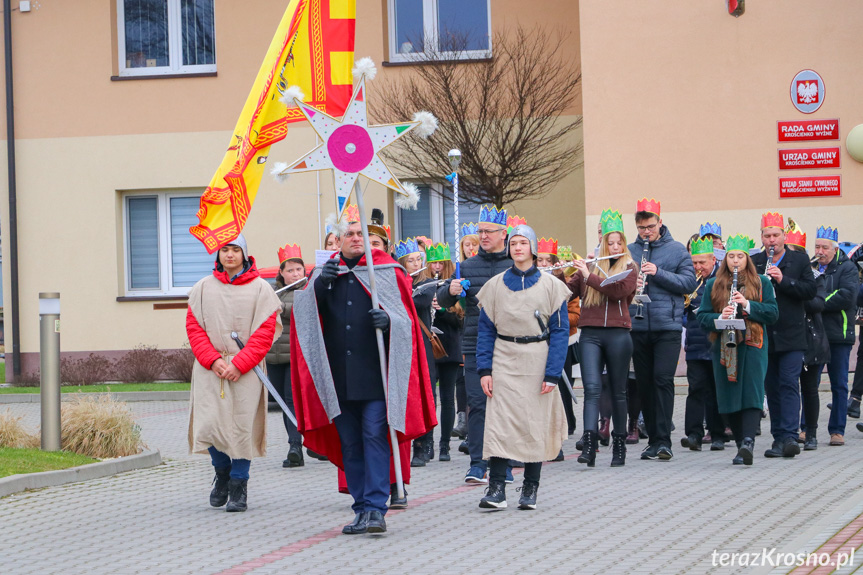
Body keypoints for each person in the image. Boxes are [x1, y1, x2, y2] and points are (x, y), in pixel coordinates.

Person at [290, 217, 437, 535]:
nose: (358, 239)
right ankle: (360, 508)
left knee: (373, 435)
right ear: (338, 240)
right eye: (350, 235)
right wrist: (319, 285)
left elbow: (407, 322)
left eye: (362, 235)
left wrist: (388, 320)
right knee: (351, 443)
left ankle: (375, 508)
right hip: (337, 377)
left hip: (376, 376)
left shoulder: (387, 271)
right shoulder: (324, 273)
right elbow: (302, 318)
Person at [475, 225, 570, 509]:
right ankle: (497, 488)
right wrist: (485, 369)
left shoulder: (552, 286)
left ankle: (530, 488)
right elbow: (486, 331)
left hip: (537, 358)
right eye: (513, 243)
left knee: (535, 423)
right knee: (499, 423)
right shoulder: (494, 285)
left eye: (523, 243)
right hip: (504, 357)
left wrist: (553, 373)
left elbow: (560, 332)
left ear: (533, 248)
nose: (517, 248)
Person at [186, 234, 282, 512]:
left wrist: (240, 363)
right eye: (225, 250)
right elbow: (194, 328)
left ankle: (239, 485)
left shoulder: (261, 289)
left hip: (246, 369)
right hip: (210, 368)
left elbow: (265, 332)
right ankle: (222, 472)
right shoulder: (202, 288)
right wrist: (212, 359)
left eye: (235, 250)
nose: (229, 255)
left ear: (244, 254)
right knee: (209, 424)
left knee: (242, 427)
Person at [438, 206, 513, 484]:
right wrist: (450, 290)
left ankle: (503, 465)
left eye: (487, 231)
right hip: (474, 345)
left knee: (505, 406)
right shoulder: (466, 267)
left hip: (509, 347)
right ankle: (478, 463)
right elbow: (444, 301)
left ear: (503, 234)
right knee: (478, 404)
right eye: (479, 231)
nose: (482, 236)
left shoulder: (514, 266)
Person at [697, 235, 778, 465]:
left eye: (740, 256)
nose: (735, 261)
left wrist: (747, 305)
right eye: (731, 256)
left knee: (751, 393)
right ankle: (742, 442)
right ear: (725, 260)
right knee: (728, 395)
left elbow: (772, 313)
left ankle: (748, 442)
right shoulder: (713, 284)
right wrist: (718, 316)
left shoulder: (763, 282)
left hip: (753, 344)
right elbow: (701, 316)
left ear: (747, 259)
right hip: (724, 345)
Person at [628, 198, 697, 460]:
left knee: (662, 380)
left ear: (660, 222)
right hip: (638, 324)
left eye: (650, 226)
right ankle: (654, 440)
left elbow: (689, 283)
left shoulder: (677, 250)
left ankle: (664, 440)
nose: (646, 231)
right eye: (641, 227)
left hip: (666, 326)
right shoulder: (631, 250)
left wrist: (657, 272)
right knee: (644, 384)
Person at [567, 209, 637, 467]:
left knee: (619, 392)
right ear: (602, 243)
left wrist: (588, 275)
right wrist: (550, 274)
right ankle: (589, 444)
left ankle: (619, 445)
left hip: (619, 334)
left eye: (619, 242)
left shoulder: (630, 267)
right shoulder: (589, 266)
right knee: (592, 389)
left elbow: (618, 292)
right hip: (591, 334)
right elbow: (567, 290)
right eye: (610, 242)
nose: (615, 246)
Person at [751, 212, 816, 458]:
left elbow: (810, 291)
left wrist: (784, 280)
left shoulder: (799, 260)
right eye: (767, 236)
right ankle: (778, 438)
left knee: (789, 383)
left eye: (776, 235)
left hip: (792, 335)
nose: (771, 240)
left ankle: (790, 436)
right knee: (772, 387)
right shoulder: (755, 261)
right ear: (762, 237)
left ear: (784, 236)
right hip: (765, 335)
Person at [784, 223, 829, 451]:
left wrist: (796, 293)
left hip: (811, 340)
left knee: (809, 390)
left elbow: (819, 303)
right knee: (787, 387)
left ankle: (810, 432)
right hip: (787, 338)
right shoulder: (778, 274)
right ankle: (788, 431)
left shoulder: (815, 276)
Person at [813, 226, 859, 446]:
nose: (820, 251)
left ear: (834, 249)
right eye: (817, 247)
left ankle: (837, 430)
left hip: (838, 335)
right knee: (809, 384)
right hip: (814, 334)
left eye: (824, 247)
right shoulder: (811, 267)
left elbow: (846, 296)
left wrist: (817, 303)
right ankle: (806, 429)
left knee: (839, 384)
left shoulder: (847, 268)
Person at [681, 234, 728, 451]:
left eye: (703, 263)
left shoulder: (722, 280)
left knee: (717, 390)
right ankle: (693, 434)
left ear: (713, 261)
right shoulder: (690, 281)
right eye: (695, 262)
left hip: (717, 343)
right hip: (695, 343)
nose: (698, 267)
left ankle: (718, 434)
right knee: (696, 388)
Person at [395, 237, 439, 466]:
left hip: (422, 346)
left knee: (426, 394)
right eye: (410, 260)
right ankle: (407, 443)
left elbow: (421, 303)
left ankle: (424, 444)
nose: (415, 263)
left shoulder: (428, 285)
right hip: (401, 346)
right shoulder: (395, 283)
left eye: (418, 259)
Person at [265, 243, 308, 468]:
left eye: (298, 270)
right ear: (281, 272)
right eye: (290, 270)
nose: (294, 274)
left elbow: (303, 311)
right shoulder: (271, 291)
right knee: (282, 402)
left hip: (296, 355)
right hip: (273, 356)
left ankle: (295, 447)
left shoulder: (309, 290)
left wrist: (279, 306)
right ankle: (298, 443)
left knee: (293, 400)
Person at [538, 238, 580, 449]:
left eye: (548, 260)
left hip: (562, 341)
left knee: (563, 385)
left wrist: (554, 321)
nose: (543, 264)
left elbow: (574, 315)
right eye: (540, 260)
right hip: (537, 342)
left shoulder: (565, 283)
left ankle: (567, 422)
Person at [426, 242, 464, 462]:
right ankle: (427, 443)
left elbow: (460, 320)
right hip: (429, 347)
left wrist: (442, 309)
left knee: (448, 398)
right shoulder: (425, 284)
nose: (437, 267)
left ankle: (444, 446)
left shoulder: (454, 285)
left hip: (449, 347)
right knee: (430, 397)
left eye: (440, 263)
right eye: (433, 263)